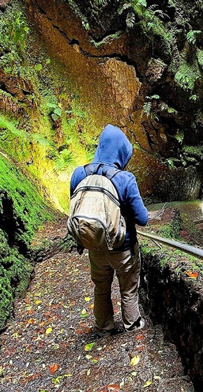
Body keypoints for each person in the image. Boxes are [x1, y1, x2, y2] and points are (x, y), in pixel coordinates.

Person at [69, 124, 148, 335]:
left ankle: (104, 326)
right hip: (123, 248)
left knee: (101, 289)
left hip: (95, 246)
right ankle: (132, 324)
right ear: (121, 153)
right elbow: (143, 218)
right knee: (129, 289)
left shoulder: (79, 174)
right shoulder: (124, 179)